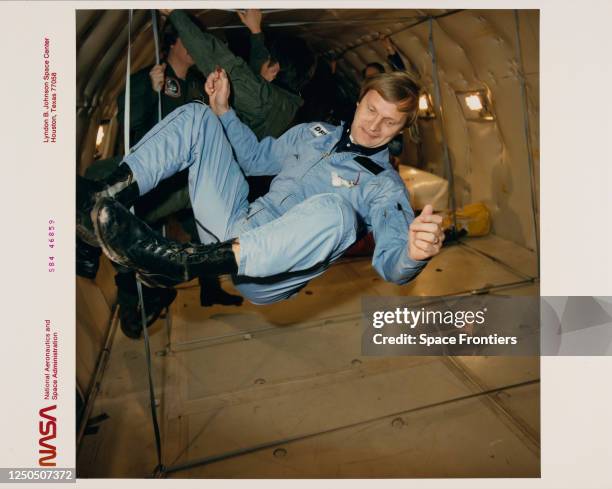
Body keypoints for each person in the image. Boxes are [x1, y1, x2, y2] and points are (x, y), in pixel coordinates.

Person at [77, 70, 444, 306]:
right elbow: (254, 159)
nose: (374, 126)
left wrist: (413, 254)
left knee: (338, 213)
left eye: (389, 122)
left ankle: (181, 263)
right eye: (371, 110)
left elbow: (393, 266)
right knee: (197, 115)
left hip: (269, 271)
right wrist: (222, 111)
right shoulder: (311, 134)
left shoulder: (384, 187)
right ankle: (100, 200)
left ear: (401, 130)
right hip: (235, 226)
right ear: (359, 101)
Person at [78, 18, 243, 340]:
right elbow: (133, 138)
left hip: (187, 181)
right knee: (127, 234)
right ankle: (131, 308)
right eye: (189, 41)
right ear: (174, 42)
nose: (195, 48)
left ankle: (209, 290)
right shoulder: (145, 80)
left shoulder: (195, 85)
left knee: (208, 234)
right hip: (157, 183)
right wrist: (154, 94)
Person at [161, 9, 316, 139]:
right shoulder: (287, 104)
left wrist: (174, 13)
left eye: (269, 58)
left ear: (274, 70)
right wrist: (256, 32)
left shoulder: (262, 100)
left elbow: (222, 63)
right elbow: (255, 81)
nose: (265, 58)